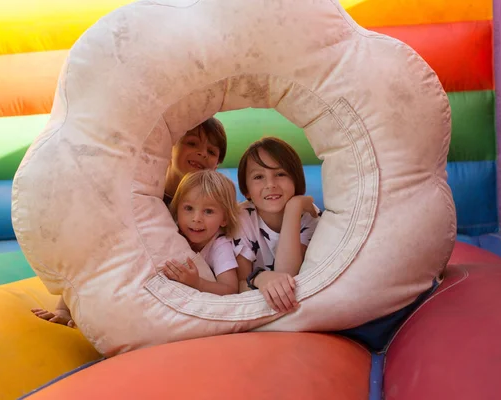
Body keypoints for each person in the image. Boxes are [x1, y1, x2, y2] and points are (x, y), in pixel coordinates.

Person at [32, 117, 228, 326]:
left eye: (212, 151)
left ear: (217, 165)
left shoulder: (214, 208)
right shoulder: (144, 190)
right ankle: (67, 308)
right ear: (171, 147)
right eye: (192, 143)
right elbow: (102, 245)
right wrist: (65, 307)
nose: (202, 153)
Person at [233, 137, 320, 313]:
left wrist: (293, 209)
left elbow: (287, 273)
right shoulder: (242, 218)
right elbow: (239, 284)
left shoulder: (308, 216)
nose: (271, 185)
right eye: (258, 177)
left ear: (296, 180)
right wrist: (260, 278)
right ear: (246, 190)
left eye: (280, 174)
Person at [163, 170, 240, 295]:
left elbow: (230, 289)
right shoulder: (173, 231)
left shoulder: (220, 246)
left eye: (208, 211)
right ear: (177, 210)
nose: (196, 218)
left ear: (224, 219)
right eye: (189, 208)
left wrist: (198, 283)